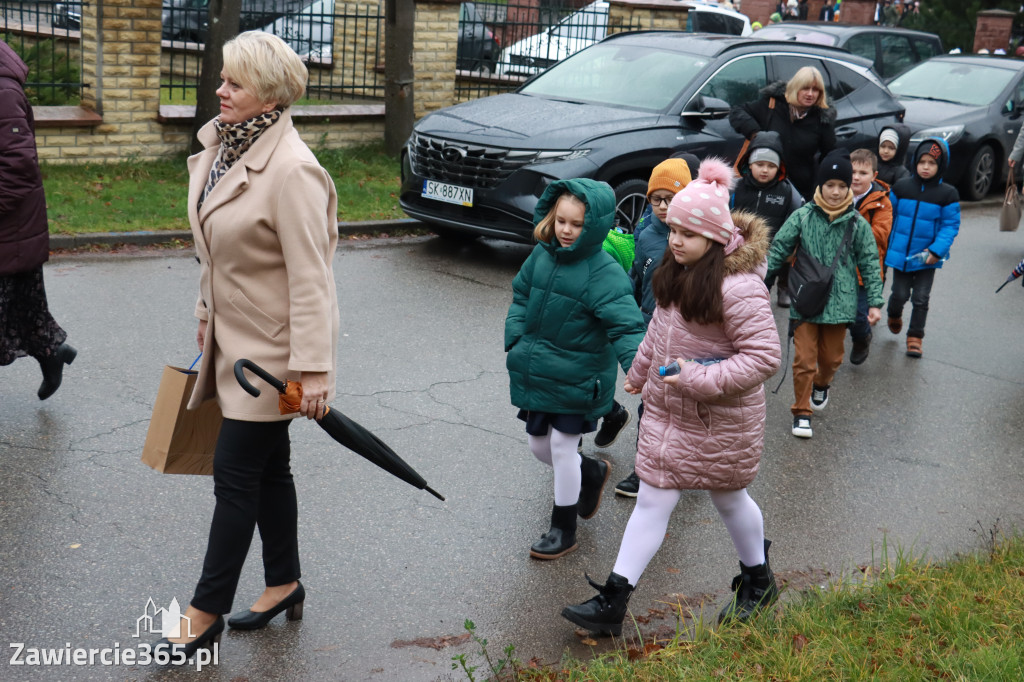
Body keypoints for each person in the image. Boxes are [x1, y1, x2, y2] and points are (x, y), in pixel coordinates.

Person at [154, 31, 341, 659]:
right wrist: (205, 311)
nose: (220, 89)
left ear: (269, 93)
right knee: (269, 471)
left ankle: (204, 612)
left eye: (234, 81)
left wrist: (313, 371)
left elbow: (313, 280)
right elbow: (216, 252)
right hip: (231, 345)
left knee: (234, 478)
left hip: (274, 360)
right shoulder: (221, 150)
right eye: (224, 79)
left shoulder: (293, 172)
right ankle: (284, 581)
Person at [560, 159, 782, 636]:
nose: (676, 239)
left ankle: (759, 582)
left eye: (688, 233)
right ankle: (612, 603)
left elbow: (764, 358)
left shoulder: (740, 288)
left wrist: (699, 378)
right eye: (673, 229)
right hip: (668, 413)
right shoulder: (676, 269)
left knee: (730, 500)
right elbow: (658, 332)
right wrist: (640, 371)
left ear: (717, 238)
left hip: (721, 421)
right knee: (652, 502)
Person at [505, 178, 646, 560]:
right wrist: (515, 337)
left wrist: (637, 369)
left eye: (577, 224)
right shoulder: (540, 255)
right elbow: (520, 295)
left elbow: (628, 326)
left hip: (582, 375)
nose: (567, 231)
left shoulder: (604, 273)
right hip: (540, 369)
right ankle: (592, 472)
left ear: (594, 225)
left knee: (562, 448)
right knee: (539, 447)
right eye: (562, 221)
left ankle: (563, 528)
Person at [765, 150, 883, 439]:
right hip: (805, 298)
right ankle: (801, 411)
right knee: (804, 358)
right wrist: (759, 281)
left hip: (841, 301)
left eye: (842, 186)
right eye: (830, 184)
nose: (835, 191)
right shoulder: (802, 216)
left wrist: (876, 303)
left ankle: (822, 384)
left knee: (831, 359)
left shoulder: (857, 224)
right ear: (820, 185)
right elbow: (778, 249)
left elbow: (870, 262)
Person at [0, 39, 77, 400]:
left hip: (9, 229)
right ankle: (52, 352)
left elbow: (18, 166)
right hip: (12, 232)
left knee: (21, 307)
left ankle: (52, 352)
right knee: (27, 308)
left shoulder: (3, 89)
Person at [614, 157, 693, 498]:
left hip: (688, 337)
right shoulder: (646, 237)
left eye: (671, 198)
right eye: (656, 199)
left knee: (683, 405)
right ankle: (643, 469)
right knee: (650, 403)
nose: (663, 206)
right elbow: (636, 277)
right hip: (650, 330)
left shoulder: (698, 239)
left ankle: (685, 463)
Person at [885, 138, 960, 358]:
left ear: (941, 165)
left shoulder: (947, 194)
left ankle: (915, 336)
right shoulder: (901, 188)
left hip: (928, 258)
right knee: (899, 293)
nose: (926, 167)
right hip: (901, 256)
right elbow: (889, 215)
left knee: (921, 298)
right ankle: (894, 313)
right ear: (915, 162)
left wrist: (937, 250)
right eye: (922, 162)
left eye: (932, 163)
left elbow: (950, 226)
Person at [730, 66, 837, 201]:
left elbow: (830, 154)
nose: (810, 94)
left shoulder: (822, 118)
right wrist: (756, 135)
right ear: (795, 87)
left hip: (799, 191)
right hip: (762, 186)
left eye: (815, 90)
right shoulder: (773, 104)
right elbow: (737, 112)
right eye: (805, 88)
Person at [730, 130, 804, 308]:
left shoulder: (787, 191)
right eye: (760, 164)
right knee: (736, 292)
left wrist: (787, 249)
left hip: (769, 255)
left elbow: (796, 220)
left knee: (760, 294)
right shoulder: (736, 188)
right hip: (738, 251)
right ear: (749, 163)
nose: (765, 170)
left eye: (771, 166)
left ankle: (771, 298)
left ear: (779, 167)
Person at [847, 149, 893, 365]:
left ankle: (862, 337)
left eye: (863, 173)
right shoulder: (837, 193)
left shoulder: (882, 203)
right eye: (853, 171)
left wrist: (850, 225)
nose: (856, 177)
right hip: (838, 267)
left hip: (865, 271)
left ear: (874, 176)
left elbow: (880, 236)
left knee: (858, 316)